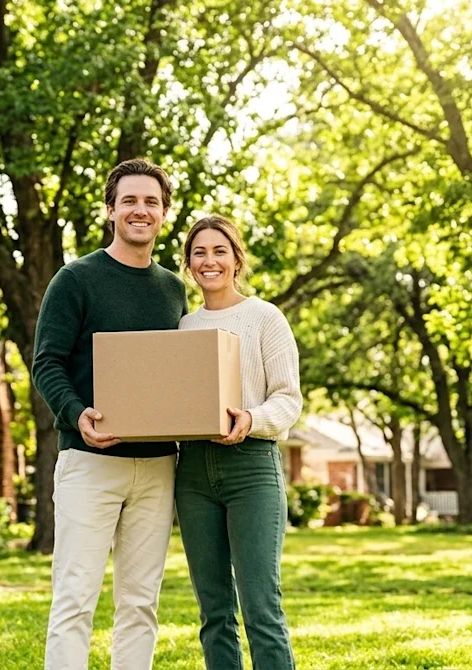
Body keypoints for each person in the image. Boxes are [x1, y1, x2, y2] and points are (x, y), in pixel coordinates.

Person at [32, 158, 188, 670]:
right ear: (110, 210)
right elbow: (47, 362)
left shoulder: (173, 289)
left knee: (141, 603)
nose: (140, 210)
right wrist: (76, 415)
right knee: (75, 598)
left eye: (151, 202)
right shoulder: (75, 278)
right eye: (129, 201)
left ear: (164, 213)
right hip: (90, 462)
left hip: (159, 465)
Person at [174, 214, 303, 669]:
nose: (209, 261)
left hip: (252, 468)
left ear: (236, 259)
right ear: (188, 263)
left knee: (260, 606)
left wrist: (251, 418)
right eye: (199, 252)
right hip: (192, 473)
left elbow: (289, 400)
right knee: (213, 611)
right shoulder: (182, 327)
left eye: (219, 251)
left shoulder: (264, 317)